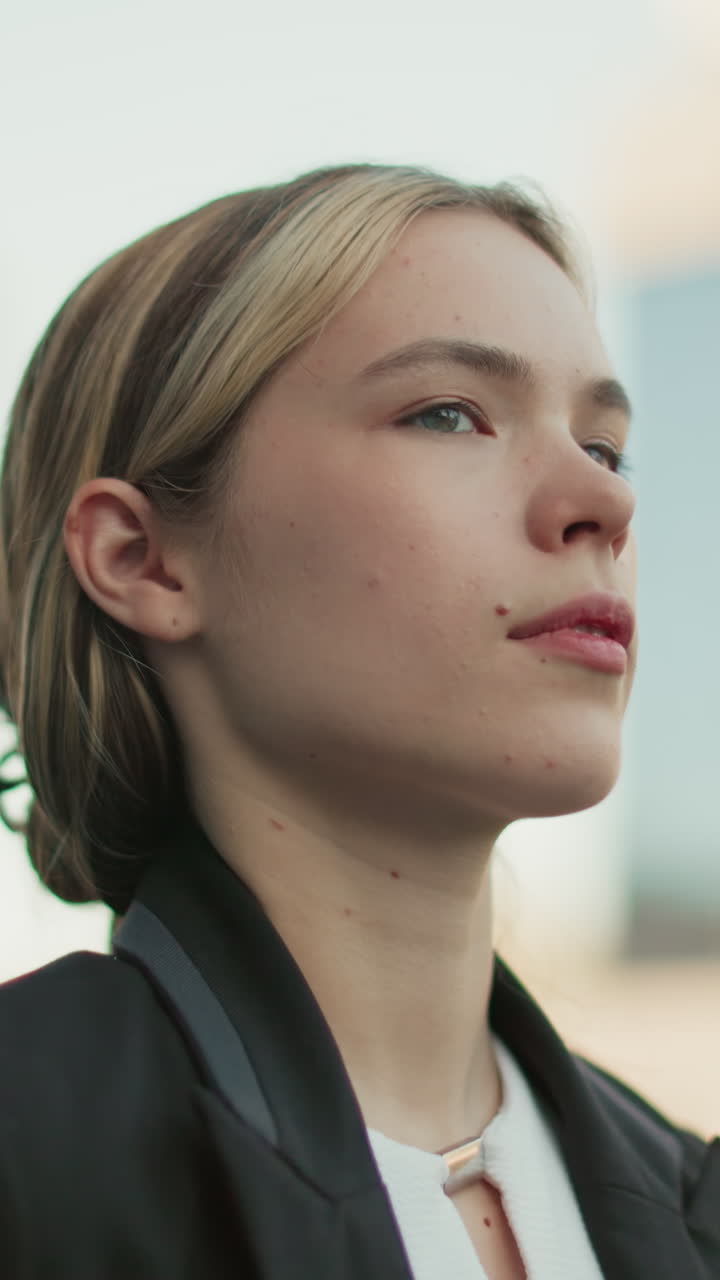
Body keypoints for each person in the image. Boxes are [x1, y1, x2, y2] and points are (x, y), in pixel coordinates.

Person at [0, 163, 716, 1280]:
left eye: (604, 446)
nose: (608, 502)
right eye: (448, 414)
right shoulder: (31, 1163)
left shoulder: (696, 1206)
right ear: (142, 559)